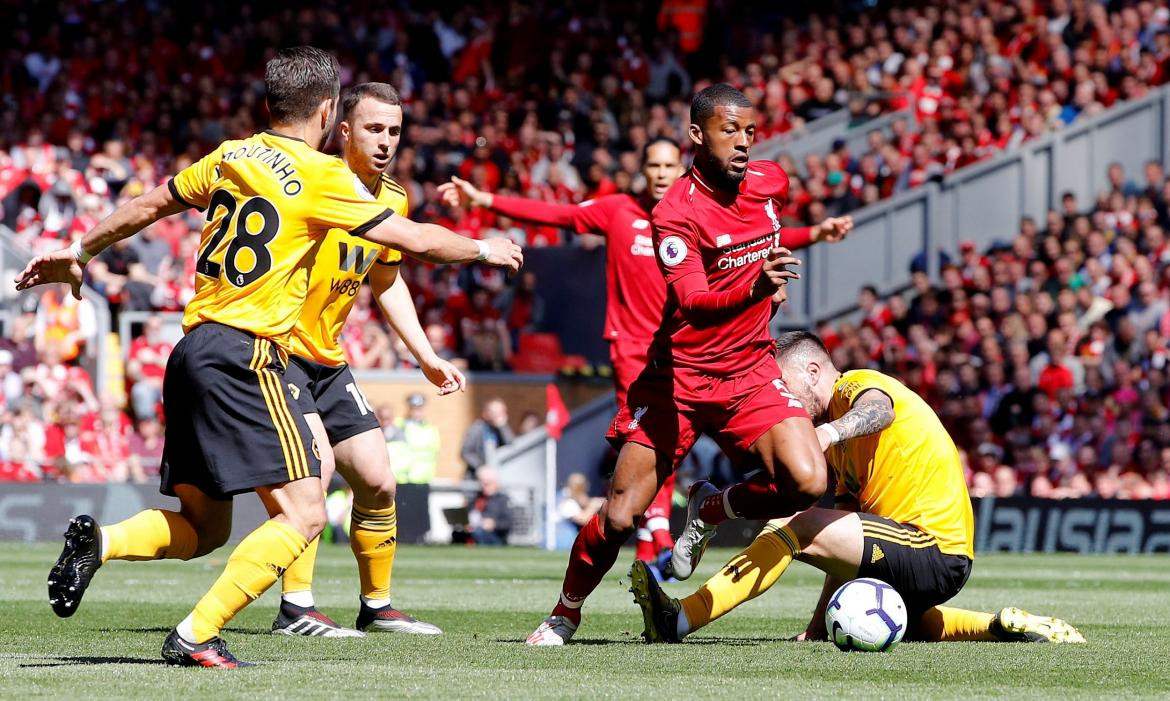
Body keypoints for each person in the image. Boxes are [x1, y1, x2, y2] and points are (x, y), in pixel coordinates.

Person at [17, 47, 523, 667]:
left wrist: (81, 250)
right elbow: (416, 240)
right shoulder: (323, 175)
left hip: (190, 350)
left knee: (205, 528)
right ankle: (201, 632)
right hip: (248, 354)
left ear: (270, 104)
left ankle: (102, 540)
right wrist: (482, 247)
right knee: (308, 509)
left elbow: (150, 205)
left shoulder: (231, 154)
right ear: (330, 111)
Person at [525, 84, 853, 645]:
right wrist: (758, 285)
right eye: (731, 131)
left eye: (750, 131)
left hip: (749, 369)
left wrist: (776, 269)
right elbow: (696, 304)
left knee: (806, 480)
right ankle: (565, 611)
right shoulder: (675, 212)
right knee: (622, 515)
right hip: (677, 378)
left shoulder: (770, 182)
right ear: (697, 137)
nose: (744, 143)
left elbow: (767, 231)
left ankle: (711, 506)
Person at [444, 135, 852, 567]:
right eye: (652, 166)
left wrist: (814, 234)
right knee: (653, 449)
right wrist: (482, 198)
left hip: (705, 350)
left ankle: (660, 537)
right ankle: (653, 537)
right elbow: (557, 214)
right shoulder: (618, 210)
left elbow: (751, 235)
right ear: (641, 171)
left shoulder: (697, 212)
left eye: (667, 166)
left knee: (701, 454)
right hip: (635, 351)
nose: (660, 174)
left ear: (683, 166)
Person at [630, 331, 1085, 645]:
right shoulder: (839, 450)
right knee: (915, 625)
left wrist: (826, 434)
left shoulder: (856, 386)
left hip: (932, 545)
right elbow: (842, 539)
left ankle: (681, 618)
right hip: (918, 555)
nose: (782, 404)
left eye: (784, 389)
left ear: (812, 371)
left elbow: (879, 410)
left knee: (792, 523)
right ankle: (1005, 625)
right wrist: (816, 624)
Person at [271, 82, 472, 638]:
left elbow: (386, 280)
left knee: (380, 481)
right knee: (317, 471)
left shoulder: (394, 200)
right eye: (373, 129)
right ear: (343, 130)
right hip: (280, 350)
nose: (385, 141)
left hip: (328, 360)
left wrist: (426, 355)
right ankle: (296, 608)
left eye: (394, 131)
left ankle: (377, 606)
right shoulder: (312, 180)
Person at [391, 392, 441, 485]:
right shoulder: (398, 425)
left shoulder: (430, 429)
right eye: (414, 408)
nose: (417, 412)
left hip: (423, 480)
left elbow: (434, 453)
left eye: (419, 409)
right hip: (401, 479)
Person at [461, 396, 514, 477]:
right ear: (485, 413)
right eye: (494, 412)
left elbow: (511, 447)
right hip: (477, 477)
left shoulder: (502, 430)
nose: (497, 415)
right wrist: (481, 467)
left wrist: (502, 427)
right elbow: (466, 452)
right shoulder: (477, 429)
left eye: (500, 412)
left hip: (498, 476)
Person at [555, 473, 605, 550]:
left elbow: (585, 501)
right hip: (560, 538)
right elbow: (583, 520)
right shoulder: (566, 501)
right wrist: (593, 506)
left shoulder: (566, 495)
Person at [468, 466, 512, 545]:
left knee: (480, 533)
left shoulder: (503, 500)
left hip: (495, 535)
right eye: (482, 482)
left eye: (487, 483)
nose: (484, 485)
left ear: (495, 482)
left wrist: (494, 524)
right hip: (475, 530)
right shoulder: (476, 499)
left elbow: (508, 523)